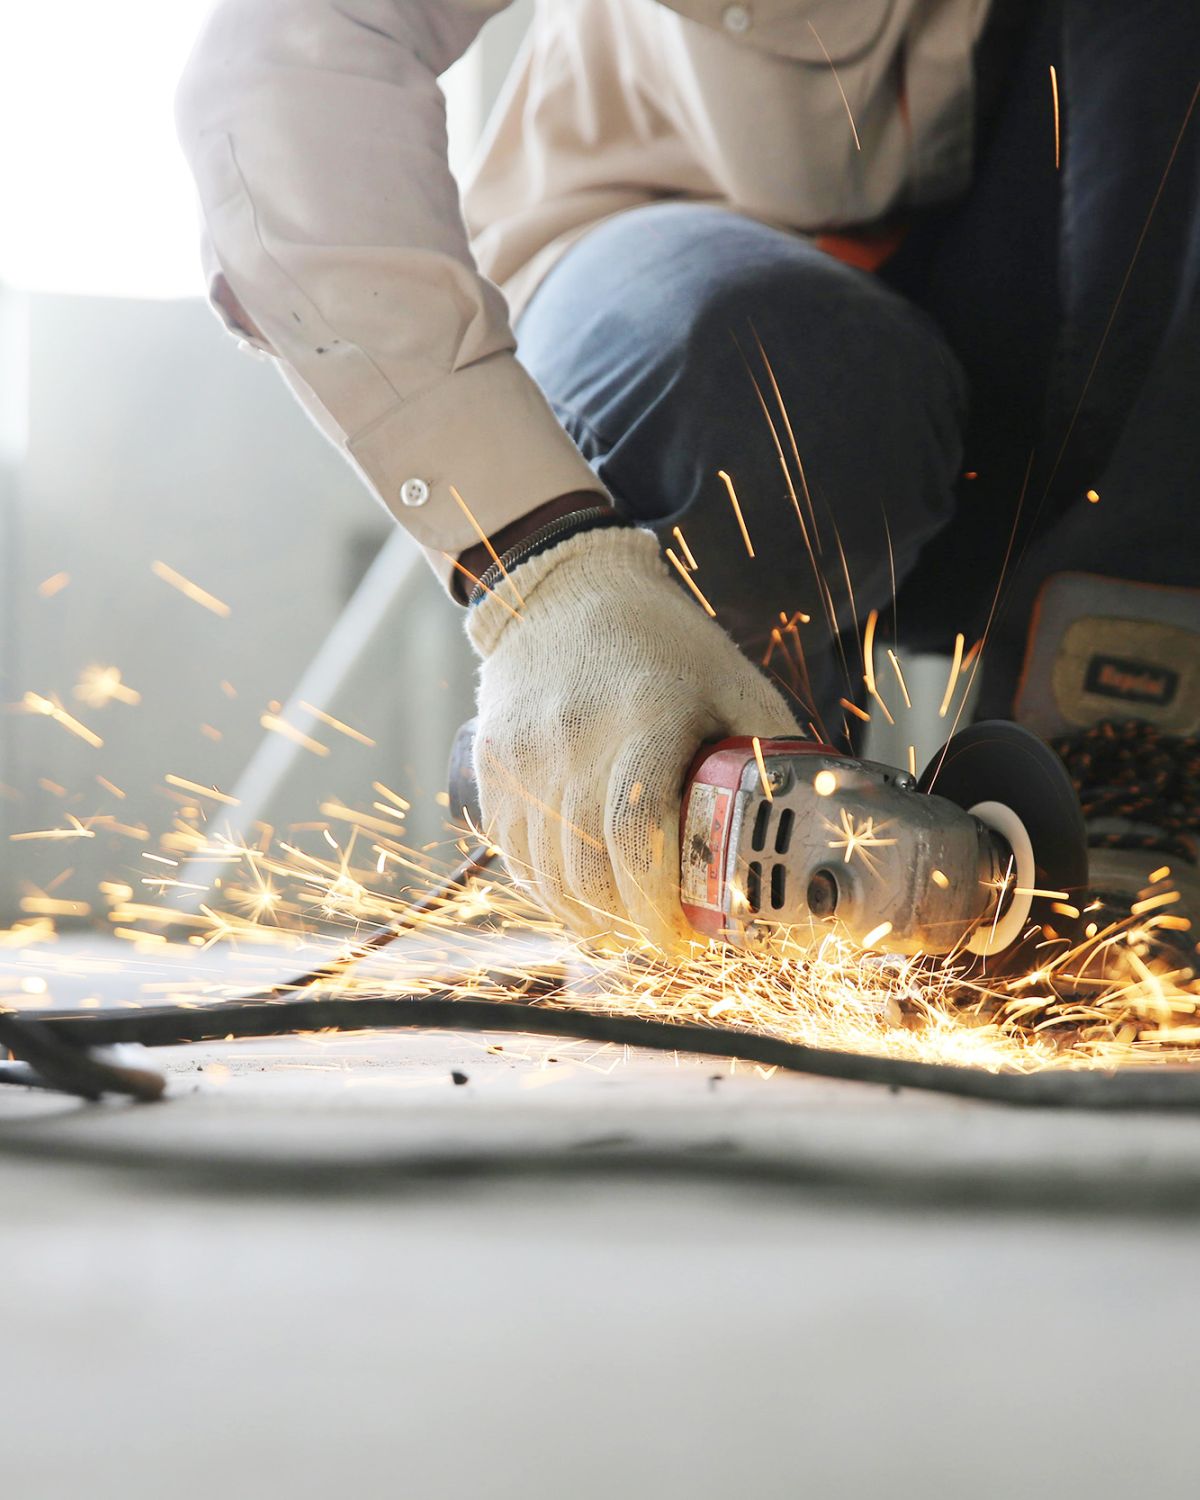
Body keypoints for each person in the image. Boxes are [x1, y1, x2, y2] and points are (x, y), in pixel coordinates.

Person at [176, 0, 1200, 959]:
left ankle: (1125, 742)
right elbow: (292, 54)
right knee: (762, 376)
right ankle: (685, 823)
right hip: (696, 308)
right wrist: (544, 572)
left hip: (1089, 395)